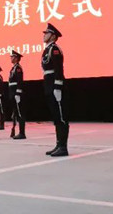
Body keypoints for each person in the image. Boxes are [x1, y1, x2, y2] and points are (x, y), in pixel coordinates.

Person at [41, 23, 69, 157]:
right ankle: (58, 144)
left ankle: (63, 147)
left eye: (47, 33)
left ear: (53, 36)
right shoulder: (47, 49)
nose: (44, 35)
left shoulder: (55, 49)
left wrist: (58, 87)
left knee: (61, 116)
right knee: (56, 116)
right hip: (49, 84)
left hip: (55, 85)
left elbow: (58, 69)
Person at [8, 49, 25, 140]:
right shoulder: (13, 68)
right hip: (12, 92)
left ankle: (22, 133)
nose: (11, 58)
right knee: (15, 113)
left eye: (12, 57)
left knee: (19, 113)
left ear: (16, 58)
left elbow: (19, 81)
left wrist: (18, 93)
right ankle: (16, 130)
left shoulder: (18, 68)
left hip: (16, 93)